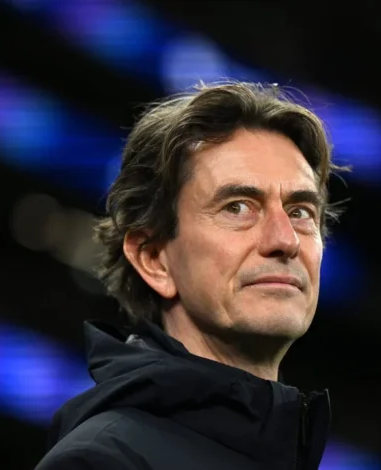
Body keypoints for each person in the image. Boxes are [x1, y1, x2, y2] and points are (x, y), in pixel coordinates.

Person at [35, 81, 347, 470]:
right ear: (154, 259)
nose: (285, 240)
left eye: (300, 212)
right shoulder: (101, 462)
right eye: (238, 207)